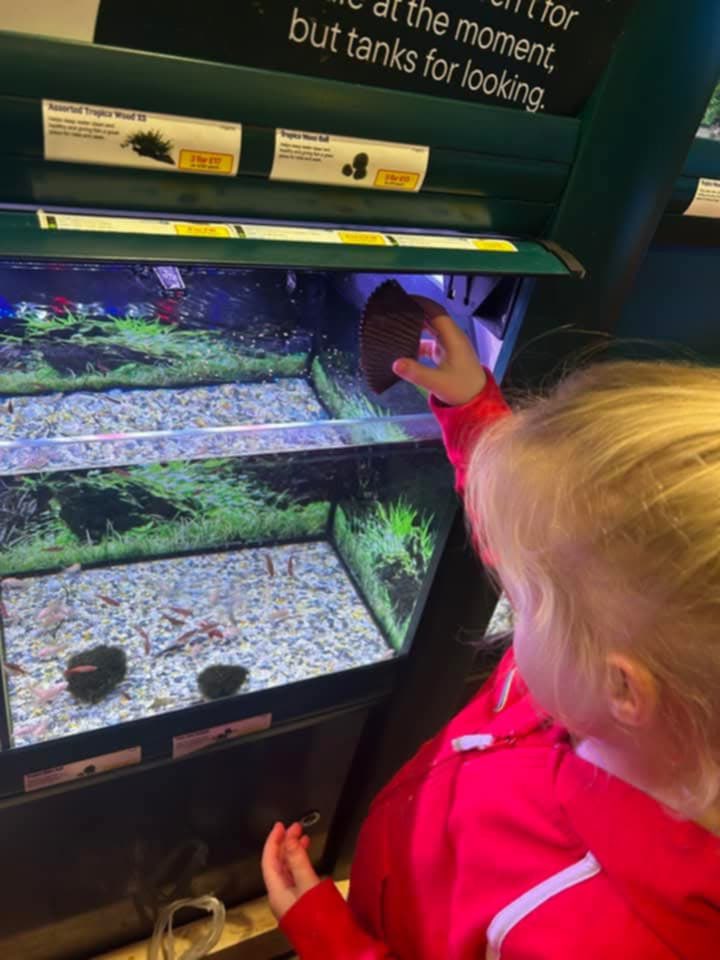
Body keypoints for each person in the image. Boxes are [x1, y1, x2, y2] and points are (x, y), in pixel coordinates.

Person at [262, 299, 720, 958]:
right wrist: (473, 409)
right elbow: (548, 544)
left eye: (526, 601)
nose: (509, 595)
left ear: (625, 686)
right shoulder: (609, 682)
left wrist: (330, 938)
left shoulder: (596, 936)